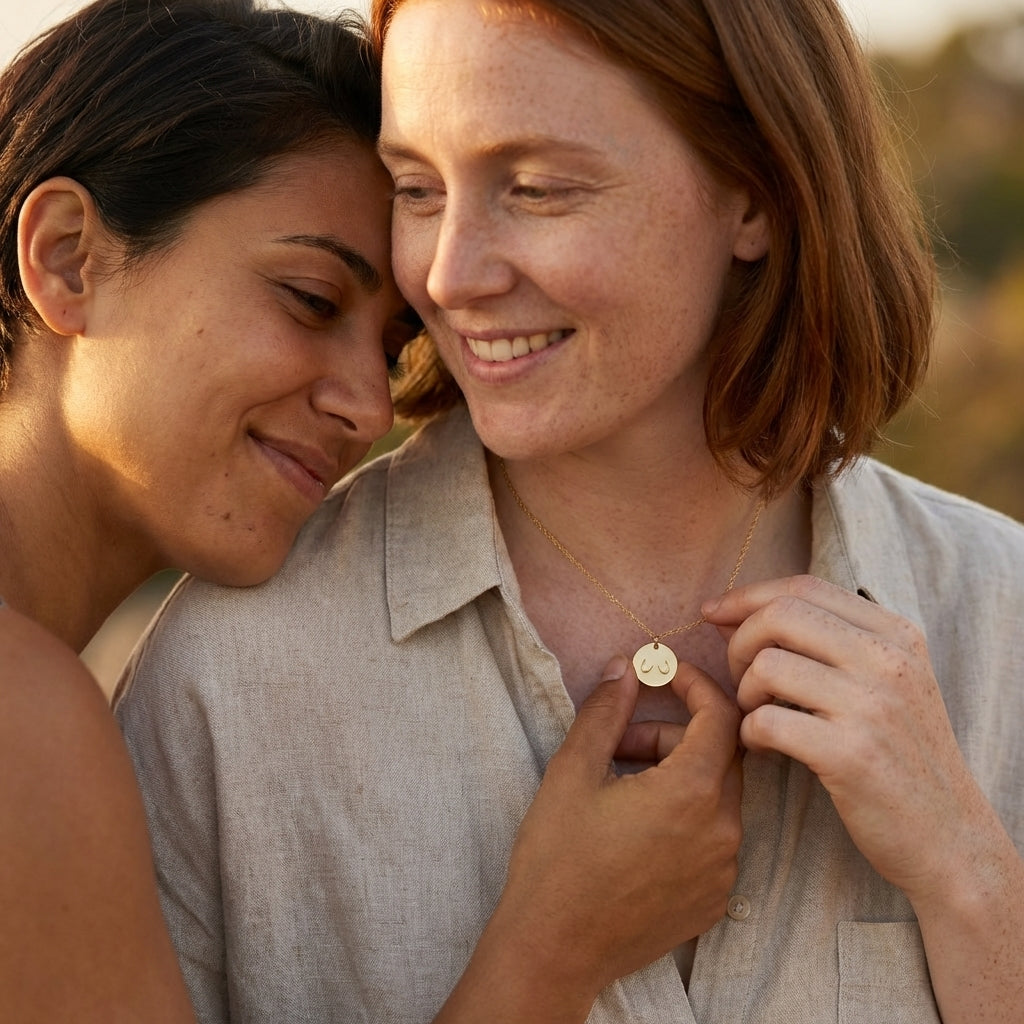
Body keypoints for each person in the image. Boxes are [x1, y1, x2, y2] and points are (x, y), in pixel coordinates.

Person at [115, 0, 1024, 1021]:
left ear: (757, 194)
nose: (448, 275)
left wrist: (970, 875)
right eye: (416, 188)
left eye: (536, 188)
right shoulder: (228, 683)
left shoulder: (1002, 619)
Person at [1, 2, 750, 1021]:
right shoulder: (25, 725)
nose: (369, 406)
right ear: (66, 257)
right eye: (309, 299)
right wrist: (554, 952)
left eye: (394, 348)